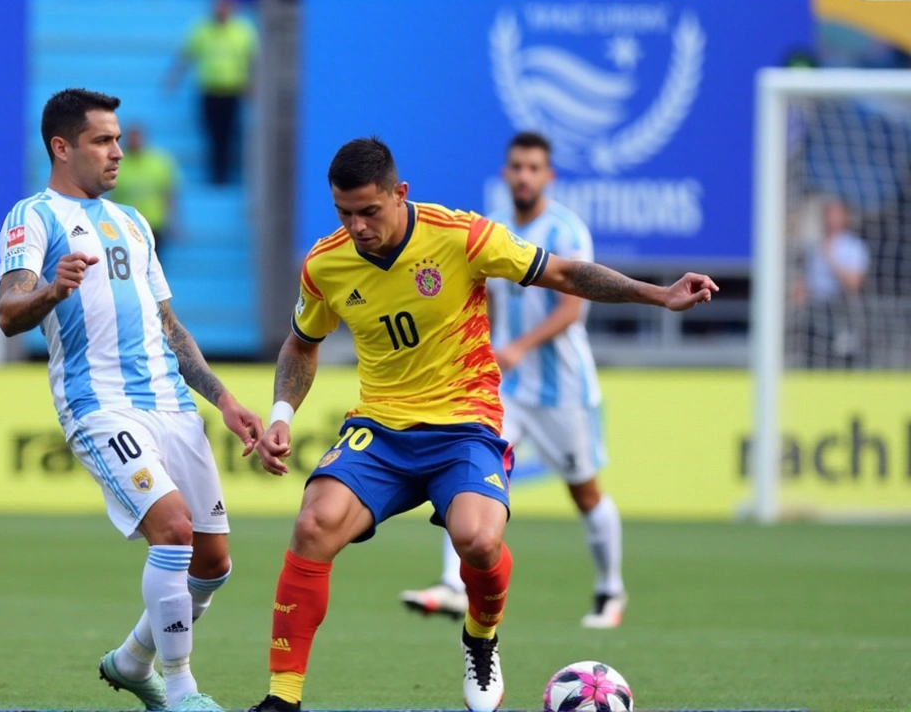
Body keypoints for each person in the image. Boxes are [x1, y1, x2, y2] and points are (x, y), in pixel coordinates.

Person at [248, 137, 717, 712]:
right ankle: (282, 699)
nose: (358, 227)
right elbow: (301, 345)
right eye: (344, 213)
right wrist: (280, 414)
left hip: (464, 423)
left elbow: (564, 274)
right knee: (313, 524)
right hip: (382, 428)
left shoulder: (460, 234)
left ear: (400, 194)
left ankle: (481, 637)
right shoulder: (326, 262)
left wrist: (657, 294)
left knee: (478, 539)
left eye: (369, 211)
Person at [0, 88, 263, 712]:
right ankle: (181, 692)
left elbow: (170, 326)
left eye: (117, 139)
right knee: (171, 530)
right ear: (62, 148)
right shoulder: (32, 217)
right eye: (103, 140)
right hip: (101, 404)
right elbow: (8, 314)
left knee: (213, 563)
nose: (118, 152)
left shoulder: (134, 222)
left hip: (171, 403)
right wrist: (49, 293)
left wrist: (223, 400)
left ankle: (132, 661)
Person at [400, 133, 626, 629]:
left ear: (548, 176)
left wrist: (520, 347)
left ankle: (611, 590)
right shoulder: (496, 231)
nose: (524, 175)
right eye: (517, 167)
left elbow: (572, 308)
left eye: (533, 168)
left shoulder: (566, 231)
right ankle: (453, 584)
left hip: (563, 390)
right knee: (466, 469)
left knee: (584, 492)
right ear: (506, 173)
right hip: (505, 390)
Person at [166, 0, 258, 185]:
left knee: (230, 134)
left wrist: (252, 85)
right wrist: (173, 80)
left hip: (233, 92)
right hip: (209, 91)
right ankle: (216, 175)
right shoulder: (202, 30)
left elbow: (253, 62)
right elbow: (187, 57)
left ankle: (228, 176)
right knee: (212, 134)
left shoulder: (243, 32)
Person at [796, 197, 870, 368]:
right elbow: (805, 279)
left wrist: (831, 258)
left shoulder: (854, 247)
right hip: (814, 308)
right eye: (829, 213)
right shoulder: (813, 247)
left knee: (841, 353)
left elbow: (854, 284)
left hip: (841, 309)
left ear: (845, 216)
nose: (831, 217)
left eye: (836, 213)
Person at [112, 124, 180, 261]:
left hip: (153, 224)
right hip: (124, 225)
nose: (135, 141)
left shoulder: (159, 162)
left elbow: (169, 194)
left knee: (153, 265)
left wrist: (173, 222)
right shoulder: (116, 163)